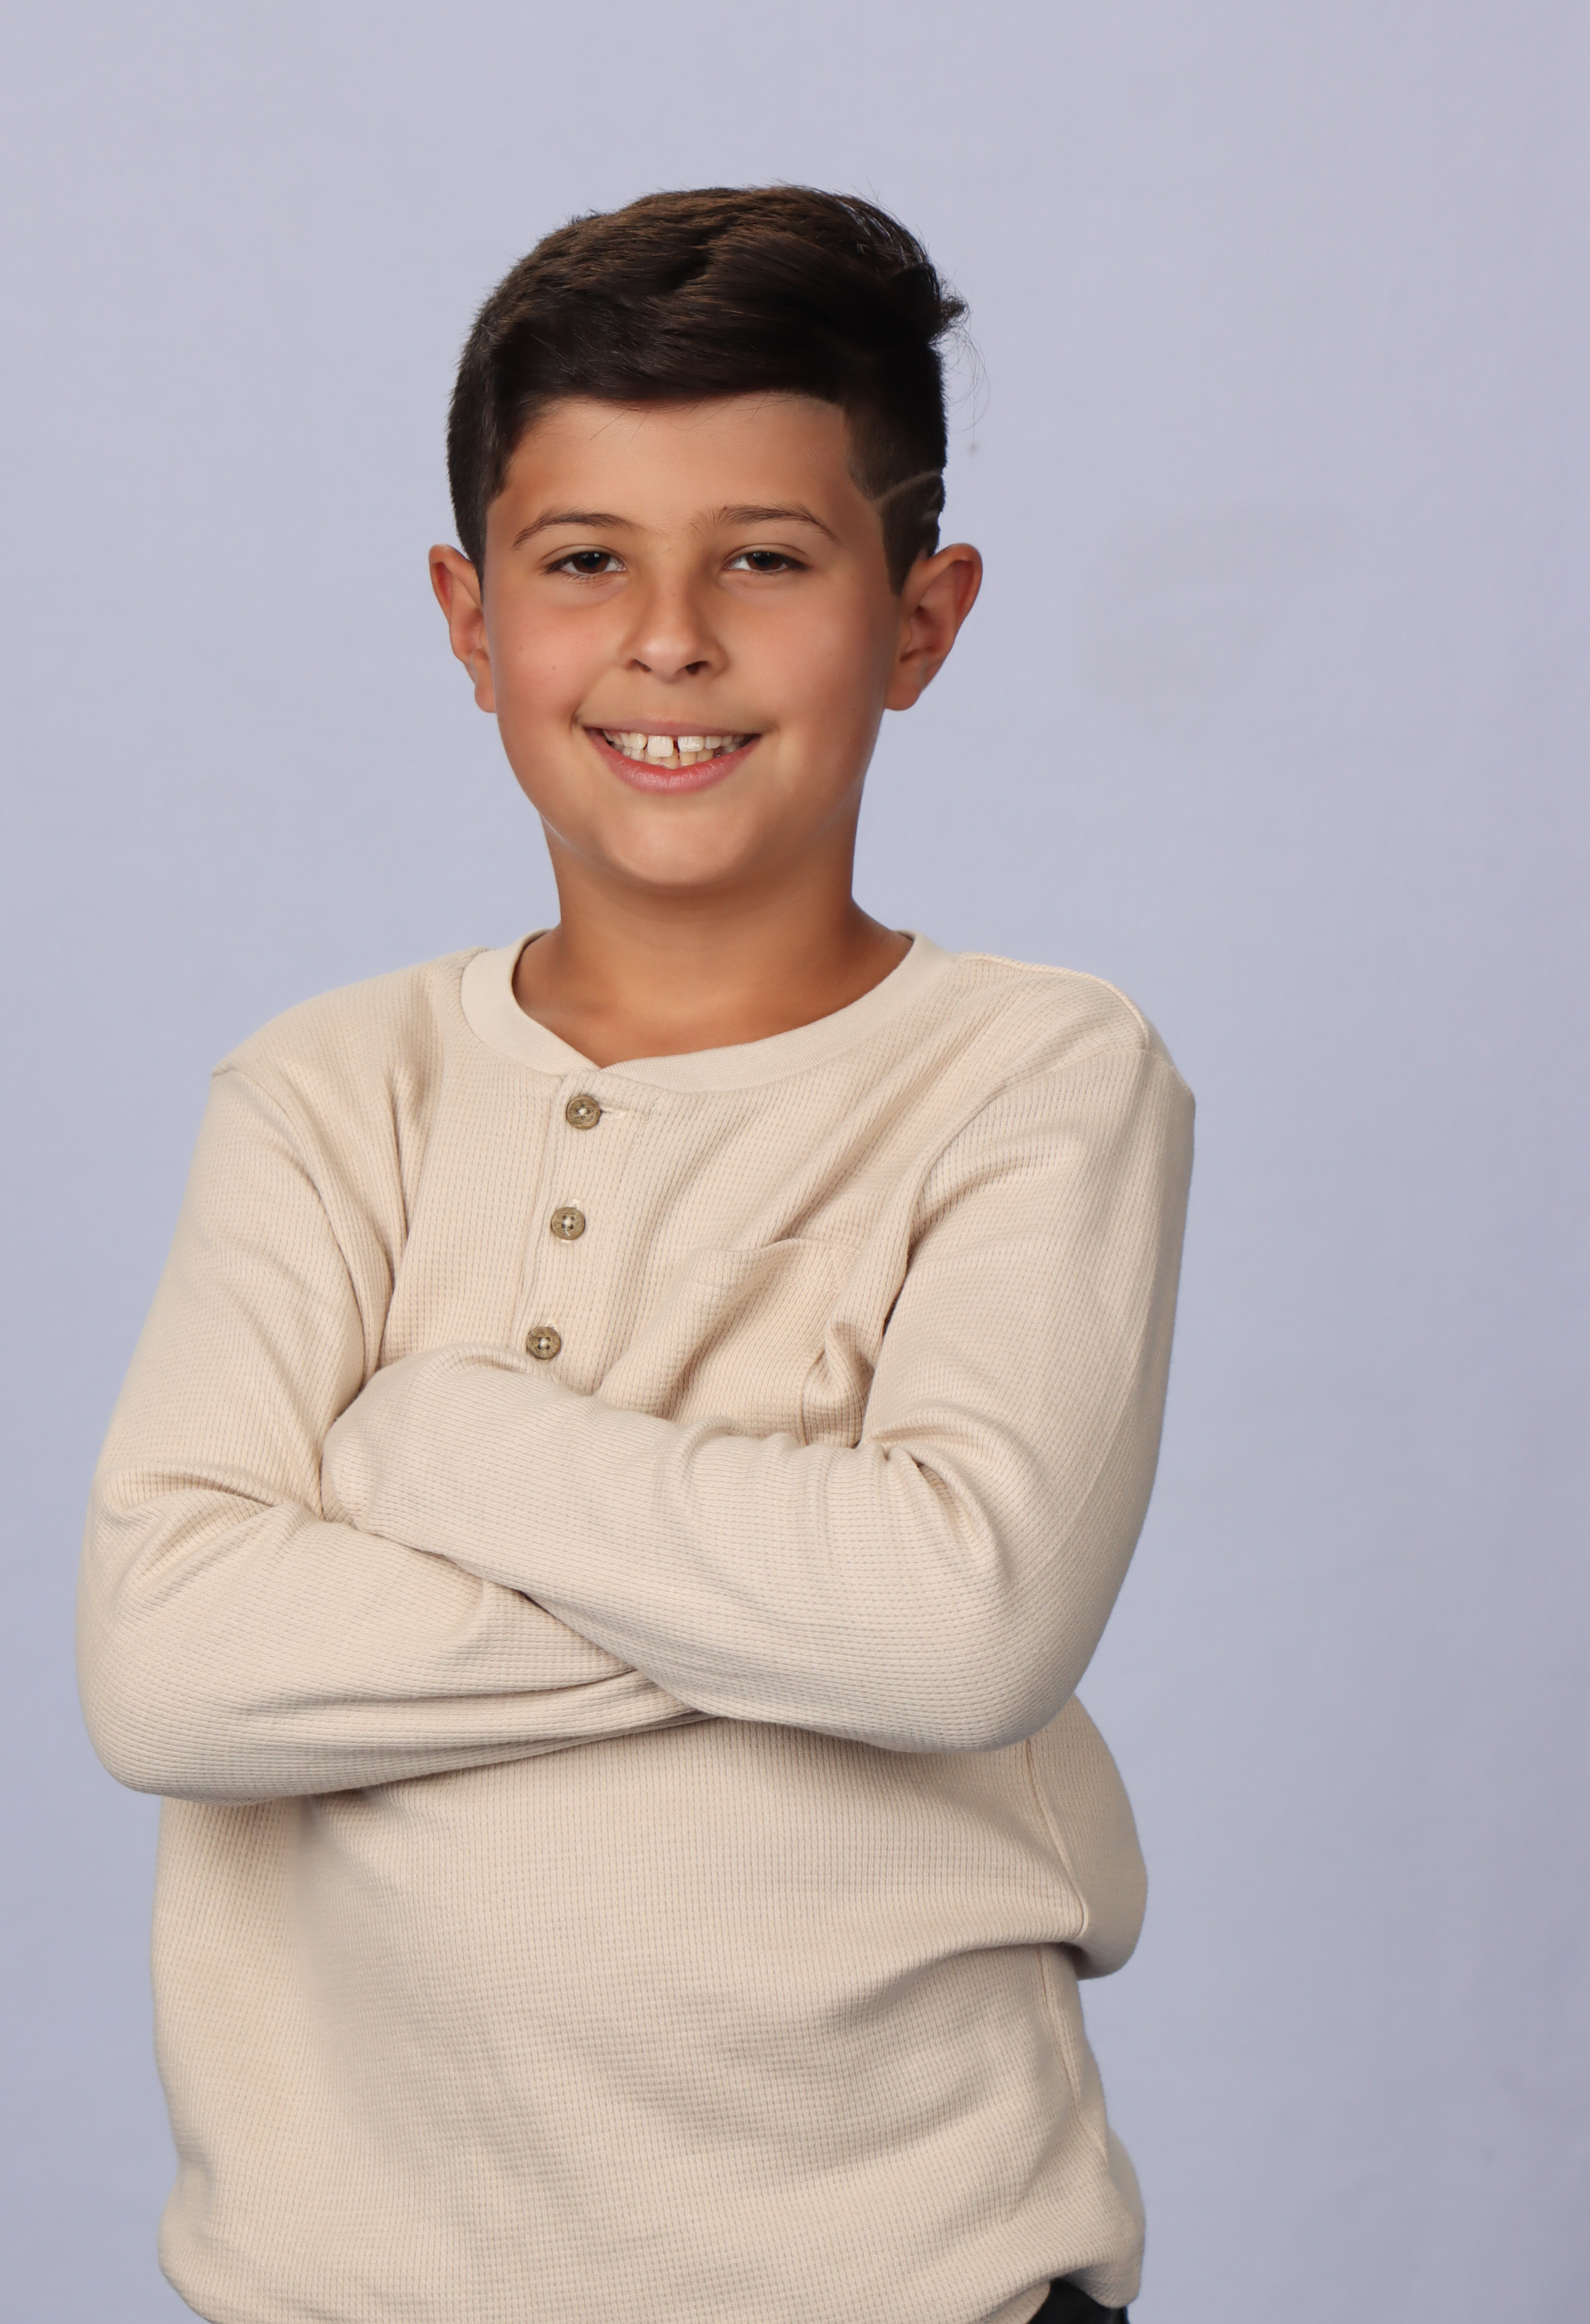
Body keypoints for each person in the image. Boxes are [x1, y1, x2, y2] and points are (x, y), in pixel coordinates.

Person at [77, 185, 1193, 2324]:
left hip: (912, 2277)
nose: (669, 638)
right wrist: (799, 1591)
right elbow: (170, 1664)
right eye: (584, 560)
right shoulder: (331, 1092)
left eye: (766, 559)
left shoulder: (1033, 1072)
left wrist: (436, 1440)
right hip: (352, 2289)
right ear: (470, 616)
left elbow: (958, 1630)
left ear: (921, 618)